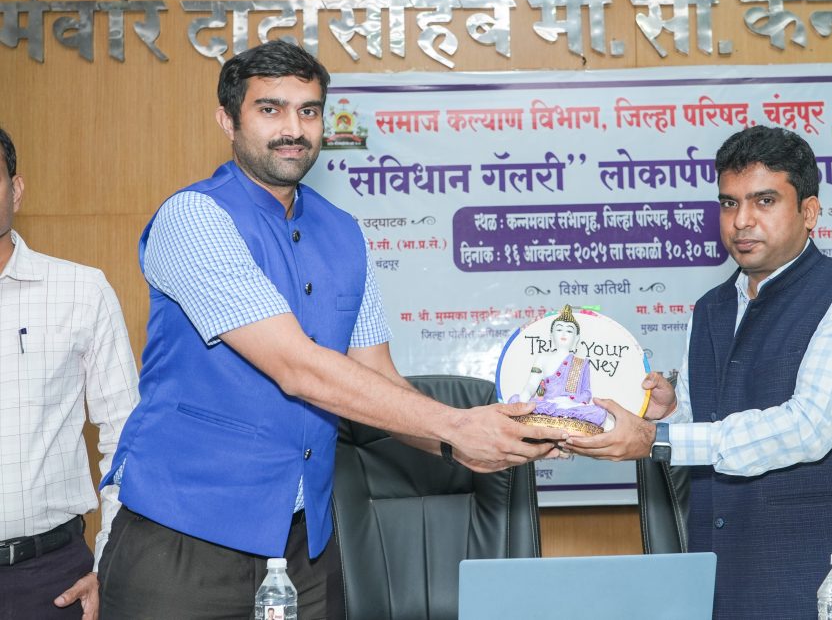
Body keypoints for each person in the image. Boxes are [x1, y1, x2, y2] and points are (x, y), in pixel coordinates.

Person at [97, 40, 564, 619]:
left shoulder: (344, 232)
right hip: (183, 538)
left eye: (309, 111)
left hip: (304, 545)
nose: (293, 129)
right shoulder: (194, 218)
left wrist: (483, 441)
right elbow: (298, 368)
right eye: (270, 109)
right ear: (227, 121)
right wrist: (457, 428)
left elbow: (377, 378)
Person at [569, 126, 832, 619]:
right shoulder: (709, 309)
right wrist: (670, 413)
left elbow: (806, 428)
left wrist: (655, 438)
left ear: (809, 212)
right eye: (729, 203)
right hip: (725, 583)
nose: (742, 221)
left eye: (764, 201)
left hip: (829, 585)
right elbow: (705, 431)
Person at [0, 125, 139, 620]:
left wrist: (107, 564)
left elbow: (126, 436)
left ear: (15, 189)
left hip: (48, 580)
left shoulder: (81, 292)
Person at [508, 304, 606, 429]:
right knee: (515, 400)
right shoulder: (542, 358)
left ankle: (555, 418)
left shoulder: (581, 363)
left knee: (599, 413)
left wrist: (571, 401)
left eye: (569, 331)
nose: (564, 333)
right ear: (551, 335)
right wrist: (525, 395)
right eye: (559, 329)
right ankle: (562, 419)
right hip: (547, 404)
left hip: (571, 406)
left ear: (576, 338)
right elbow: (532, 384)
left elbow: (586, 392)